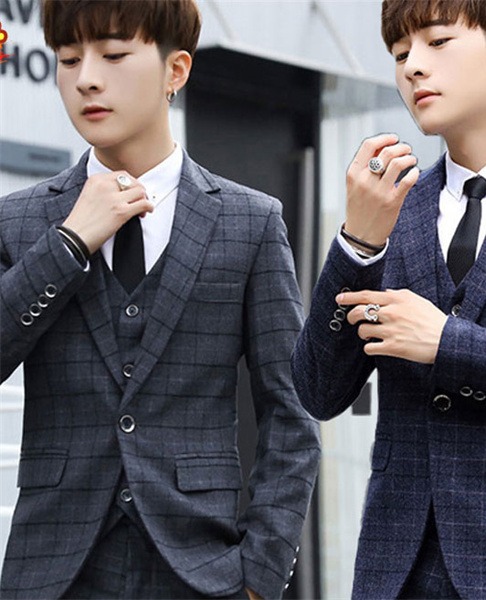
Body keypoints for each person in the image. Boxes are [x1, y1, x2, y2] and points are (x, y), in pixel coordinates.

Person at [0, 1, 320, 598]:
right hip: (51, 572)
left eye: (113, 54)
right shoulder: (19, 220)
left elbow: (291, 410)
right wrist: (69, 243)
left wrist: (261, 575)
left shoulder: (250, 222)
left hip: (203, 570)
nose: (86, 78)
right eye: (68, 59)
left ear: (176, 70)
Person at [292, 0, 486, 598]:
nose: (412, 66)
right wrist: (358, 243)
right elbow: (319, 391)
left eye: (436, 42)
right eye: (399, 53)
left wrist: (450, 344)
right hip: (393, 572)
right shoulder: (390, 210)